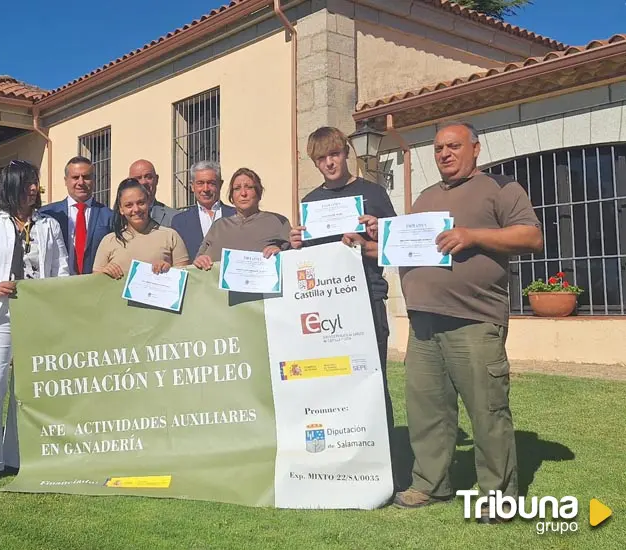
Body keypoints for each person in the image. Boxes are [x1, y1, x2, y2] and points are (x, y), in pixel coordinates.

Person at [390, 121, 543, 522]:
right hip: (423, 323)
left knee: (487, 411)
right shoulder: (424, 198)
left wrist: (473, 235)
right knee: (427, 410)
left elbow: (531, 236)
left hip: (474, 320)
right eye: (439, 148)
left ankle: (497, 495)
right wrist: (375, 240)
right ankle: (429, 483)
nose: (445, 153)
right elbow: (403, 248)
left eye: (454, 146)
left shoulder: (500, 188)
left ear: (475, 149)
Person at [288, 126, 398, 450]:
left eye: (334, 154)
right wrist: (295, 245)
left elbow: (395, 245)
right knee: (332, 381)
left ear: (346, 153)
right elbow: (308, 260)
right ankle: (340, 448)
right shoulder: (310, 202)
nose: (330, 163)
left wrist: (378, 230)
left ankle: (384, 454)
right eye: (321, 159)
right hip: (325, 306)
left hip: (368, 296)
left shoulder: (374, 193)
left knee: (373, 378)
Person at [0, 160, 69, 485]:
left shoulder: (48, 225)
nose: (34, 188)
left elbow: (62, 269)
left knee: (27, 388)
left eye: (35, 182)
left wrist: (56, 301)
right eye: (27, 183)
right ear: (11, 186)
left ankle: (15, 457)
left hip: (36, 317)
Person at [192, 167, 291, 269]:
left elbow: (294, 259)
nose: (243, 193)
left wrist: (281, 254)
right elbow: (198, 260)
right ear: (232, 196)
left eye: (249, 187)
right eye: (237, 188)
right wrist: (201, 260)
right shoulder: (218, 226)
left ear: (259, 193)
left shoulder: (278, 222)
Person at [93, 178, 189, 279]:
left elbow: (184, 278)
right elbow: (95, 283)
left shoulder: (170, 236)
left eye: (140, 203)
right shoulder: (109, 241)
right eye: (129, 205)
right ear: (121, 209)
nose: (136, 209)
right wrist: (103, 273)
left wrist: (170, 271)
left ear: (148, 203)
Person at [40, 156, 114, 275]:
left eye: (86, 177)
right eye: (75, 177)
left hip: (95, 285)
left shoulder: (109, 216)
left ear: (93, 179)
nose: (81, 182)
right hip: (58, 285)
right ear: (66, 180)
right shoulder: (47, 215)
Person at [170, 160, 235, 259]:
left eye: (211, 183)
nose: (206, 189)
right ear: (192, 186)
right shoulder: (179, 222)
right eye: (200, 183)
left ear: (220, 185)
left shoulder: (235, 215)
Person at [128, 159, 179, 226]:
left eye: (148, 177)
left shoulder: (175, 218)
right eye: (138, 178)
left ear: (156, 180)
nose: (144, 182)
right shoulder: (118, 220)